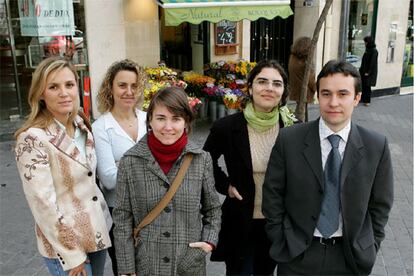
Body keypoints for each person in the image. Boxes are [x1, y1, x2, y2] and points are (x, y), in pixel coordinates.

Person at [262, 60, 393, 275]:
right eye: (326, 94)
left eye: (342, 94)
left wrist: (371, 244)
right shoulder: (290, 139)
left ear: (357, 98)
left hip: (349, 257)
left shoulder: (376, 145)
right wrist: (280, 238)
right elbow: (272, 194)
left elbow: (381, 205)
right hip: (297, 255)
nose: (333, 102)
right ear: (318, 96)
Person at [14, 56, 112, 276]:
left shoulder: (80, 122)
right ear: (40, 93)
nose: (64, 93)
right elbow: (43, 205)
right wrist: (72, 256)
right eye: (53, 87)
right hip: (67, 247)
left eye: (69, 85)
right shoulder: (32, 139)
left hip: (96, 233)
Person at [113, 87, 221, 275]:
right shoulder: (130, 161)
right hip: (146, 265)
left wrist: (208, 242)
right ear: (150, 121)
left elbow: (212, 209)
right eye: (161, 118)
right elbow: (122, 218)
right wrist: (126, 268)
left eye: (176, 119)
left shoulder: (201, 159)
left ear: (186, 122)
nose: (168, 127)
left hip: (188, 264)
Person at [203, 59, 296, 275]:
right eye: (262, 81)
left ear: (283, 91)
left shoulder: (293, 127)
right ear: (250, 87)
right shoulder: (227, 127)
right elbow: (204, 161)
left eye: (277, 83)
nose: (269, 88)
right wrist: (225, 185)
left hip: (276, 222)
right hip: (240, 219)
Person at [92, 59, 147, 275]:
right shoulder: (101, 127)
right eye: (122, 85)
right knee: (126, 269)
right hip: (120, 213)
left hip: (152, 208)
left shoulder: (149, 118)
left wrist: (122, 163)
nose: (129, 91)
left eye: (134, 86)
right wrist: (146, 161)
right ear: (110, 88)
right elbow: (108, 179)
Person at [288, 36, 317, 121]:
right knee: (302, 113)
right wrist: (316, 88)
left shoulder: (293, 58)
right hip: (304, 91)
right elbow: (310, 80)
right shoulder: (305, 62)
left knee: (301, 110)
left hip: (295, 88)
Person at [359, 36, 378, 106]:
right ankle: (363, 99)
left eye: (365, 42)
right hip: (363, 71)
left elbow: (372, 63)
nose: (365, 44)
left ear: (368, 42)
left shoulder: (374, 51)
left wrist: (368, 72)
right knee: (363, 85)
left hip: (368, 72)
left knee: (367, 86)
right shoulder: (368, 50)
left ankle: (367, 101)